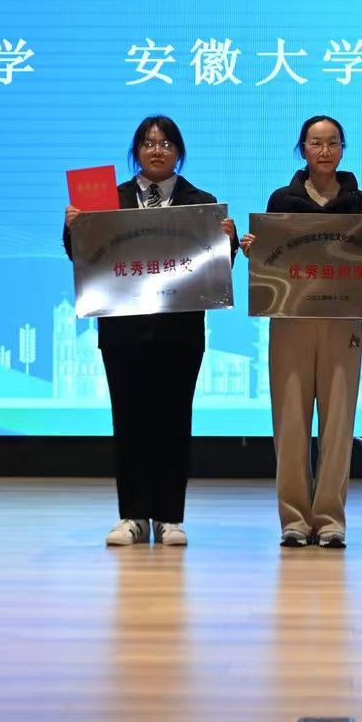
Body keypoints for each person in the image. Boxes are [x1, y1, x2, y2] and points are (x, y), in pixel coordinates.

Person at [63, 115, 239, 548]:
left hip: (180, 332)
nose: (156, 150)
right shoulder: (109, 199)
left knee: (174, 422)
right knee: (129, 422)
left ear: (179, 152)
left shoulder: (201, 202)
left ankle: (169, 518)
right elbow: (84, 258)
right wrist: (74, 228)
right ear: (136, 152)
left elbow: (216, 269)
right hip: (123, 332)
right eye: (147, 143)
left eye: (165, 143)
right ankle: (133, 516)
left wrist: (229, 242)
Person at [238, 116, 362, 550]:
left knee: (338, 423)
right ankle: (294, 520)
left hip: (343, 321)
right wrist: (253, 250)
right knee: (290, 422)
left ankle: (331, 519)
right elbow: (273, 261)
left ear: (342, 148)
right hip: (291, 320)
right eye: (316, 143)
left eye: (333, 142)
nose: (324, 151)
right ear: (302, 149)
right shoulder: (282, 199)